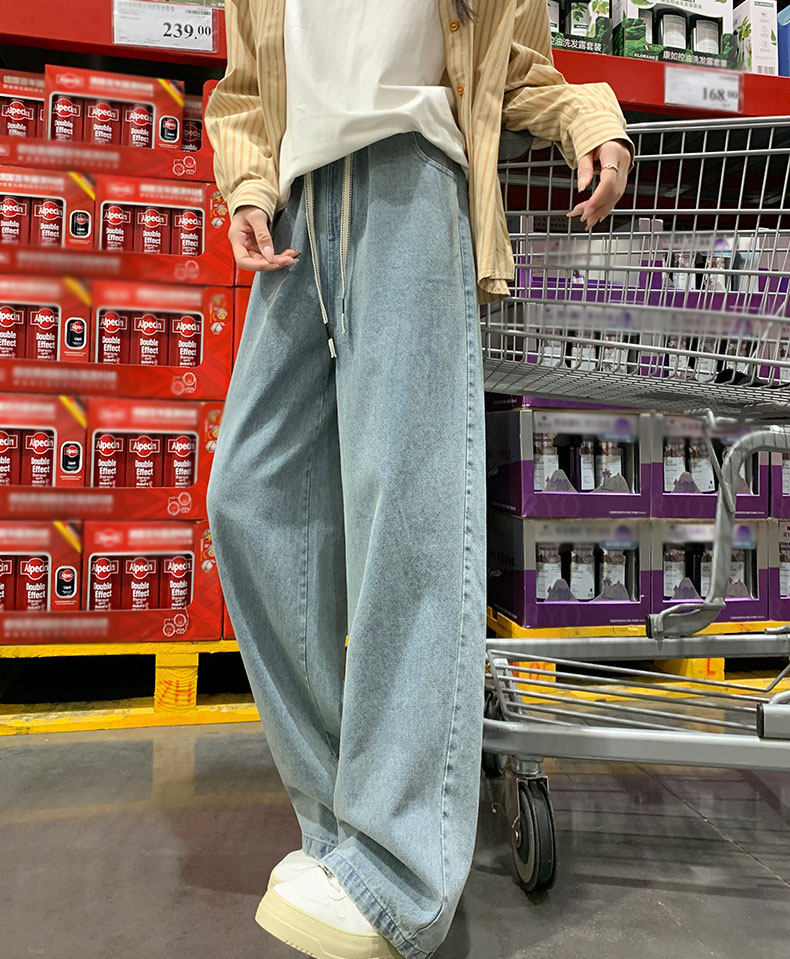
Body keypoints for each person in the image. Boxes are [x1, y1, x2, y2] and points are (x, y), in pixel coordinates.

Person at [204, 2, 633, 957]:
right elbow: (245, 85)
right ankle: (341, 826)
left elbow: (519, 66)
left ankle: (398, 873)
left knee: (409, 523)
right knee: (249, 499)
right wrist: (247, 185)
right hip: (301, 203)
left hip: (413, 179)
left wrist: (588, 118)